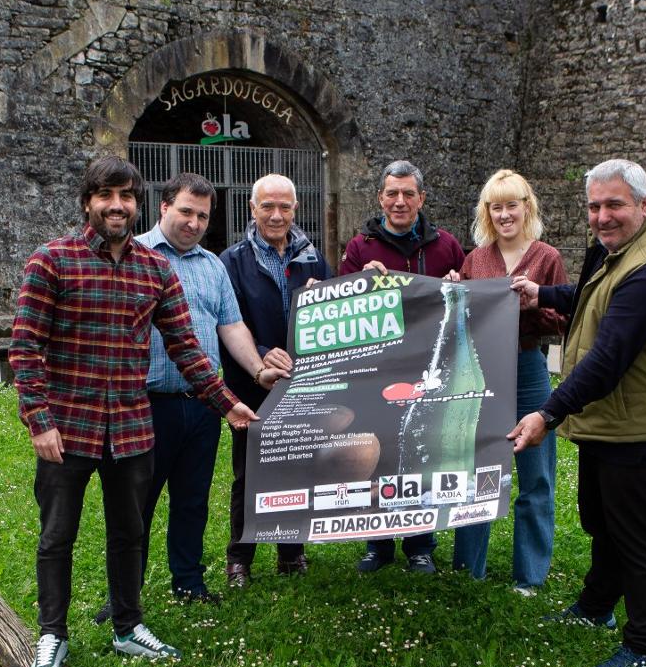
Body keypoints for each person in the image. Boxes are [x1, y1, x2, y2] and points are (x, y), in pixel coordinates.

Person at [10, 155, 259, 667]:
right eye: (106, 196)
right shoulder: (52, 260)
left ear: (137, 204)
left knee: (128, 533)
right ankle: (52, 633)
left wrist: (224, 401)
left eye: (125, 197)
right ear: (88, 202)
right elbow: (25, 347)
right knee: (57, 535)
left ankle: (128, 625)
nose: (117, 206)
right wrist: (39, 419)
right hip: (67, 428)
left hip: (129, 426)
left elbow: (187, 349)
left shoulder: (156, 271)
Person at [508, 158, 646, 667]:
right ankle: (595, 608)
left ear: (644, 205)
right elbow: (590, 297)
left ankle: (643, 646)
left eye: (614, 204)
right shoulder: (615, 252)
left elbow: (608, 357)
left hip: (639, 430)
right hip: (608, 425)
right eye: (594, 206)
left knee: (637, 537)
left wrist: (547, 412)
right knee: (603, 523)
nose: (602, 216)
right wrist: (542, 293)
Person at [87, 173, 284, 618]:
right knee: (135, 505)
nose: (194, 223)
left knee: (192, 500)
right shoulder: (132, 255)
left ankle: (189, 582)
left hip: (200, 404)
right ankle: (124, 594)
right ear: (163, 208)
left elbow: (231, 326)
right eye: (186, 212)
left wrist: (256, 370)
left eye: (203, 216)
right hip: (143, 403)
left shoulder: (212, 266)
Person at [339, 159, 465, 574]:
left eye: (408, 193)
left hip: (429, 366)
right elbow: (341, 308)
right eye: (392, 193)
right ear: (380, 198)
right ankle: (378, 543)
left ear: (421, 199)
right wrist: (358, 282)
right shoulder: (360, 247)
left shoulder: (446, 245)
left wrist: (457, 284)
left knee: (421, 450)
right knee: (381, 449)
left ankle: (420, 543)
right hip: (379, 367)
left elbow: (464, 303)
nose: (400, 201)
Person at [449, 170, 566, 594]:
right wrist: (454, 291)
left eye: (511, 205)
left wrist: (533, 303)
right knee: (475, 468)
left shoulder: (546, 256)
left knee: (536, 475)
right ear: (487, 213)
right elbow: (462, 316)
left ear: (526, 207)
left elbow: (562, 318)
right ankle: (468, 568)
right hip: (481, 371)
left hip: (528, 366)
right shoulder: (476, 259)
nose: (504, 215)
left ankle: (529, 576)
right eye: (495, 207)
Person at [220, 173, 332, 588]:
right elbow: (229, 321)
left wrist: (334, 292)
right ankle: (240, 558)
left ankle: (291, 552)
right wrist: (264, 351)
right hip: (251, 384)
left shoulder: (312, 259)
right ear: (252, 209)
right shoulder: (231, 261)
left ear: (296, 209)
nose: (276, 214)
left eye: (285, 206)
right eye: (267, 206)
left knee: (297, 466)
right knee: (248, 473)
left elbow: (338, 311)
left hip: (302, 384)